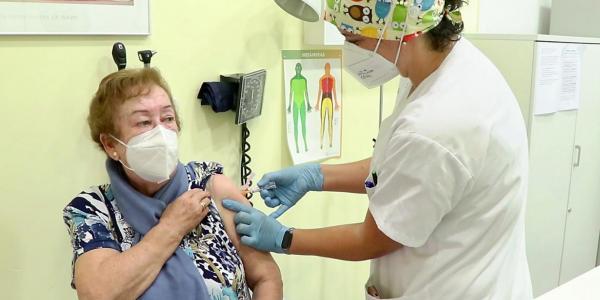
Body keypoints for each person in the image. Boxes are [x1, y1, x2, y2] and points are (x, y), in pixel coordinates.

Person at [223, 0, 533, 299]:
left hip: (452, 288)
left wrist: (284, 237)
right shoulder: (438, 66)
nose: (350, 51)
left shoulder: (438, 123)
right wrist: (316, 175)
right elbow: (400, 167)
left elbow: (372, 239)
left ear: (398, 29)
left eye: (354, 39)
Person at [62, 68, 282, 300]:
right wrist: (171, 227)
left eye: (168, 118)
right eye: (144, 122)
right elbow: (99, 295)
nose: (161, 132)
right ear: (110, 145)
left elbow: (267, 278)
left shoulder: (210, 186)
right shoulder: (92, 210)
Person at [314, 63, 340, 149]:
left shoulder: (333, 78)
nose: (328, 69)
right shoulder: (321, 79)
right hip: (323, 99)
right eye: (326, 68)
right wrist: (317, 103)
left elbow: (334, 90)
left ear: (330, 68)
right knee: (322, 122)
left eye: (329, 68)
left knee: (330, 121)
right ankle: (321, 143)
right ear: (324, 68)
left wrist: (336, 103)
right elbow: (319, 91)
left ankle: (330, 142)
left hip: (330, 100)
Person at [288, 63, 312, 153]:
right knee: (295, 125)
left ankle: (305, 144)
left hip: (302, 103)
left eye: (299, 67)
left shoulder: (304, 79)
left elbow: (306, 92)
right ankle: (297, 146)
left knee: (303, 124)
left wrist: (308, 104)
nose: (298, 69)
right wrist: (289, 106)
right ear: (295, 69)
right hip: (295, 103)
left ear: (301, 69)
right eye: (296, 67)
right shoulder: (292, 80)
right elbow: (291, 93)